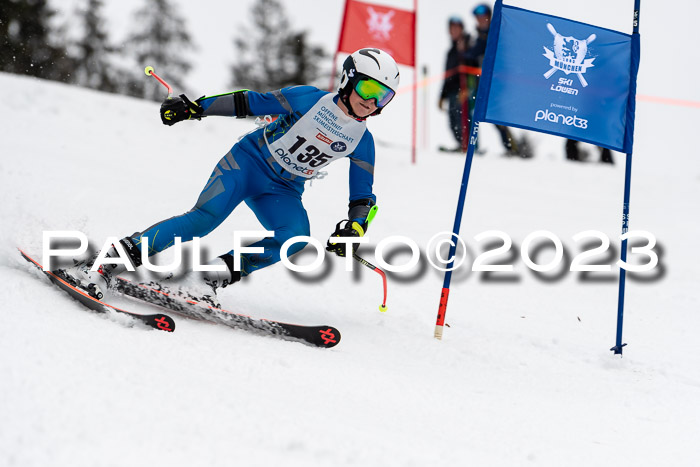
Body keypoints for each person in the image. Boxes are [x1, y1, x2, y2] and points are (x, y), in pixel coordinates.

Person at [58, 48, 400, 307]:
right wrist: (196, 108)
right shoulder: (309, 99)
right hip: (248, 162)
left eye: (382, 96)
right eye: (368, 88)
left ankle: (206, 279)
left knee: (295, 238)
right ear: (349, 78)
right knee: (202, 221)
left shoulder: (362, 141)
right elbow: (250, 102)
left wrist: (354, 227)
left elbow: (362, 195)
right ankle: (107, 265)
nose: (372, 101)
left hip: (284, 188)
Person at [462, 3, 532, 157]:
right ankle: (473, 146)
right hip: (482, 85)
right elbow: (471, 56)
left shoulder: (495, 34)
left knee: (495, 116)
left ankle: (512, 149)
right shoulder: (479, 37)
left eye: (483, 17)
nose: (480, 20)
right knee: (476, 114)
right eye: (477, 17)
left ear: (489, 17)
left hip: (497, 85)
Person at [438, 16, 471, 152]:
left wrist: (469, 89)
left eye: (457, 28)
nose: (454, 31)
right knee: (453, 121)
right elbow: (448, 76)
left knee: (464, 118)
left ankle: (470, 146)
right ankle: (461, 145)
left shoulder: (468, 45)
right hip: (452, 91)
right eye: (452, 28)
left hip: (465, 90)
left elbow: (472, 68)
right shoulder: (451, 51)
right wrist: (441, 96)